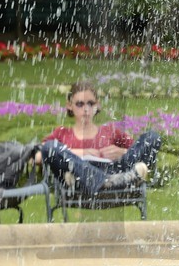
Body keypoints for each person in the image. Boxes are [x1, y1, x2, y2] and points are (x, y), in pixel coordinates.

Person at [34, 81, 162, 195]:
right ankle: (104, 181)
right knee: (49, 147)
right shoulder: (62, 133)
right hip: (79, 179)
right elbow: (38, 156)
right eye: (80, 104)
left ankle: (116, 180)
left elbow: (136, 150)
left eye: (90, 103)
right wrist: (78, 153)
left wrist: (122, 152)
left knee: (152, 137)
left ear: (97, 105)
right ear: (69, 105)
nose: (86, 109)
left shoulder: (110, 131)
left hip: (116, 172)